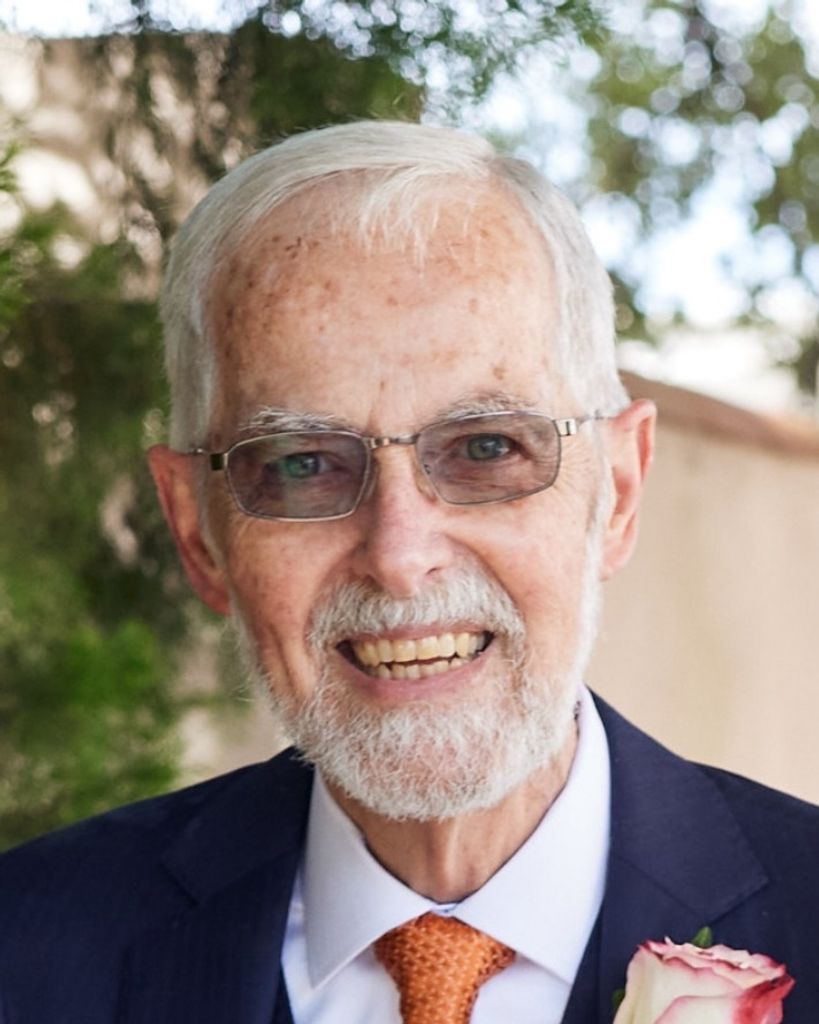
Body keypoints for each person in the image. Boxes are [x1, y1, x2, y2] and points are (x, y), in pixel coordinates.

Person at [1, 120, 817, 1023]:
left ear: (617, 492)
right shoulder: (24, 953)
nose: (397, 556)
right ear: (197, 531)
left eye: (486, 447)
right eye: (302, 464)